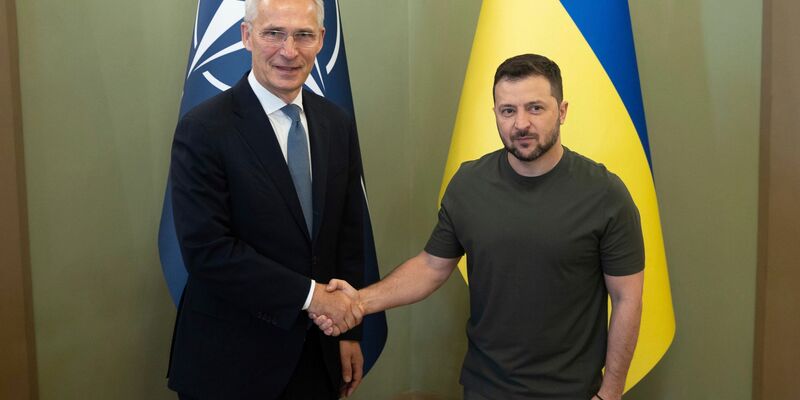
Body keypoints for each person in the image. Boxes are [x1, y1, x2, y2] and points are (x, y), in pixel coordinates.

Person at [314, 54, 645, 400]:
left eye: (535, 108)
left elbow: (627, 299)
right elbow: (430, 267)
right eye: (508, 110)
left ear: (561, 111)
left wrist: (611, 392)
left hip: (573, 390)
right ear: (496, 115)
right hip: (485, 388)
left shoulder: (606, 194)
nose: (521, 124)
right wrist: (360, 301)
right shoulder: (468, 183)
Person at [167, 0, 365, 398]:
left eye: (303, 35)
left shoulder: (336, 123)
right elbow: (208, 251)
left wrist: (348, 331)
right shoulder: (203, 129)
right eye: (273, 33)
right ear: (246, 36)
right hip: (231, 362)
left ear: (321, 40)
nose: (288, 51)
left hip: (316, 354)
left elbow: (348, 234)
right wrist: (314, 298)